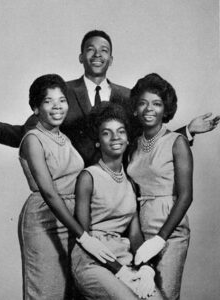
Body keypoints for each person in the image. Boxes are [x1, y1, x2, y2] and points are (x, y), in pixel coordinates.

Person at [0, 30, 219, 166]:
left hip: (119, 188)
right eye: (90, 49)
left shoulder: (128, 96)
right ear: (81, 57)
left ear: (111, 59)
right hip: (73, 189)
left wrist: (187, 131)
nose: (97, 55)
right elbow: (30, 132)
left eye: (104, 51)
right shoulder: (62, 94)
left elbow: (149, 138)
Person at [13, 74, 116, 300]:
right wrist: (84, 236)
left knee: (74, 292)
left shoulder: (63, 137)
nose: (57, 107)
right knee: (47, 292)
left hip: (72, 218)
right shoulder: (33, 139)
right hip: (45, 218)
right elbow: (49, 192)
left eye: (62, 100)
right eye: (48, 101)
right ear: (36, 108)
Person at [71, 102, 164, 300]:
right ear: (97, 141)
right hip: (92, 261)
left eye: (121, 131)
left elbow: (135, 234)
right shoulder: (88, 177)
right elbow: (84, 234)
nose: (115, 138)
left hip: (124, 259)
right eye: (107, 133)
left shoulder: (130, 182)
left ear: (128, 139)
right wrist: (120, 271)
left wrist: (146, 267)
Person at [127, 73, 193, 300]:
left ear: (165, 110)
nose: (149, 109)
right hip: (140, 230)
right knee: (141, 296)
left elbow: (186, 196)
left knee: (164, 296)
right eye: (143, 103)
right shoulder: (133, 145)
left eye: (156, 104)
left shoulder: (177, 142)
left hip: (170, 231)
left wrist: (160, 238)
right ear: (135, 109)